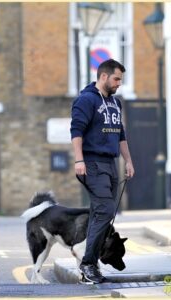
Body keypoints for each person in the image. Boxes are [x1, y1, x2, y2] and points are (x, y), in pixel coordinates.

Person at [70, 59, 135, 284]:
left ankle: (91, 263)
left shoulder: (115, 103)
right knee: (105, 211)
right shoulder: (86, 100)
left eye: (121, 80)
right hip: (92, 163)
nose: (119, 84)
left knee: (103, 213)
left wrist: (128, 161)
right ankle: (88, 263)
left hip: (111, 164)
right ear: (104, 76)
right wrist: (79, 160)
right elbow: (76, 131)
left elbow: (121, 135)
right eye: (116, 79)